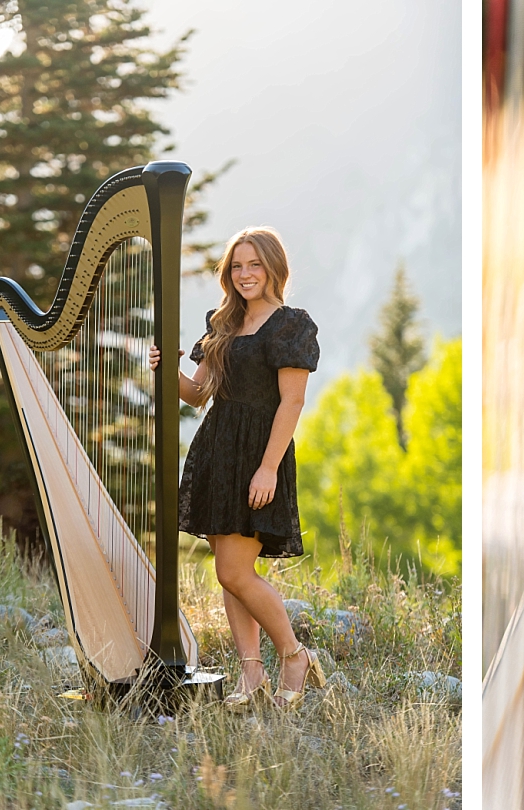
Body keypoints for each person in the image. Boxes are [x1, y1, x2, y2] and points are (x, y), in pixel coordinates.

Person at [149, 226, 325, 710]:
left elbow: (292, 402)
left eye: (254, 265)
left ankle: (294, 655)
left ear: (273, 268)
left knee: (233, 571)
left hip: (259, 452)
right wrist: (168, 372)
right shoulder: (222, 321)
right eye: (237, 266)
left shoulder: (291, 324)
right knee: (230, 571)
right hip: (218, 448)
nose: (245, 274)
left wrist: (268, 468)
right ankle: (252, 675)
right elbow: (198, 394)